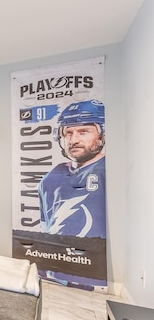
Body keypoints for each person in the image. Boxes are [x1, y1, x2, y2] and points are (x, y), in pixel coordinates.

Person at [38, 99, 106, 238]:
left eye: (83, 131)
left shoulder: (111, 171)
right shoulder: (50, 178)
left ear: (102, 135)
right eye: (68, 132)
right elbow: (46, 229)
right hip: (57, 256)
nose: (74, 140)